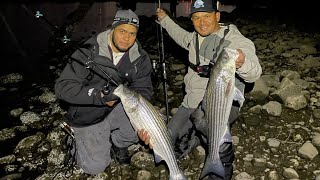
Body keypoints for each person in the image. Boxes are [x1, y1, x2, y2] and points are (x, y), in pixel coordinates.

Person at [138, 0, 262, 179]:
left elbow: (255, 73)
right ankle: (196, 137)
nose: (202, 22)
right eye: (196, 17)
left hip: (222, 99)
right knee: (168, 140)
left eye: (207, 16)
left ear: (217, 16)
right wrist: (164, 19)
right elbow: (179, 34)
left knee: (211, 128)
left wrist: (242, 63)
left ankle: (221, 166)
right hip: (193, 99)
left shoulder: (235, 40)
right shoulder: (194, 38)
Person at [55, 9, 153, 175]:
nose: (126, 38)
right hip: (88, 113)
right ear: (112, 29)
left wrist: (145, 125)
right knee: (95, 167)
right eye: (122, 31)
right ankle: (73, 139)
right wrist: (98, 95)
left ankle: (117, 143)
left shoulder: (140, 58)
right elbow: (62, 87)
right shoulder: (87, 52)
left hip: (116, 106)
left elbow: (143, 91)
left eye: (132, 33)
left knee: (143, 126)